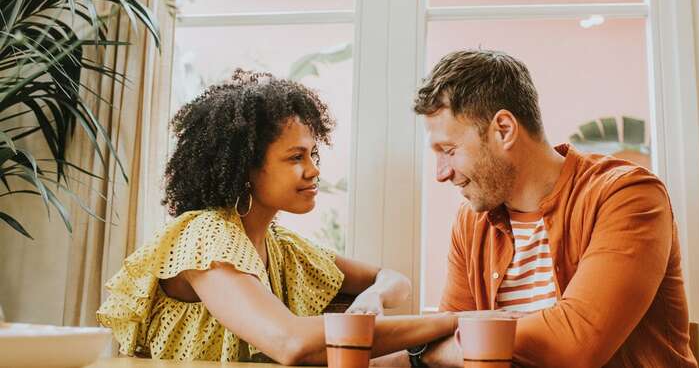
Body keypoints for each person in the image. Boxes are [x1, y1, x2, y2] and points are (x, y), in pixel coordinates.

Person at [97, 69, 456, 365]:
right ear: (246, 168)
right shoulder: (205, 237)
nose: (314, 170)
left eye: (314, 154)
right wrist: (454, 322)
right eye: (295, 157)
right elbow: (291, 343)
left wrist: (375, 296)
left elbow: (393, 279)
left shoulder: (282, 248)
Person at [378, 50, 698, 367]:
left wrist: (427, 354)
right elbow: (446, 337)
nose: (441, 173)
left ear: (504, 129)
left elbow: (575, 344)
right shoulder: (472, 221)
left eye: (449, 150)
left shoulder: (626, 194)